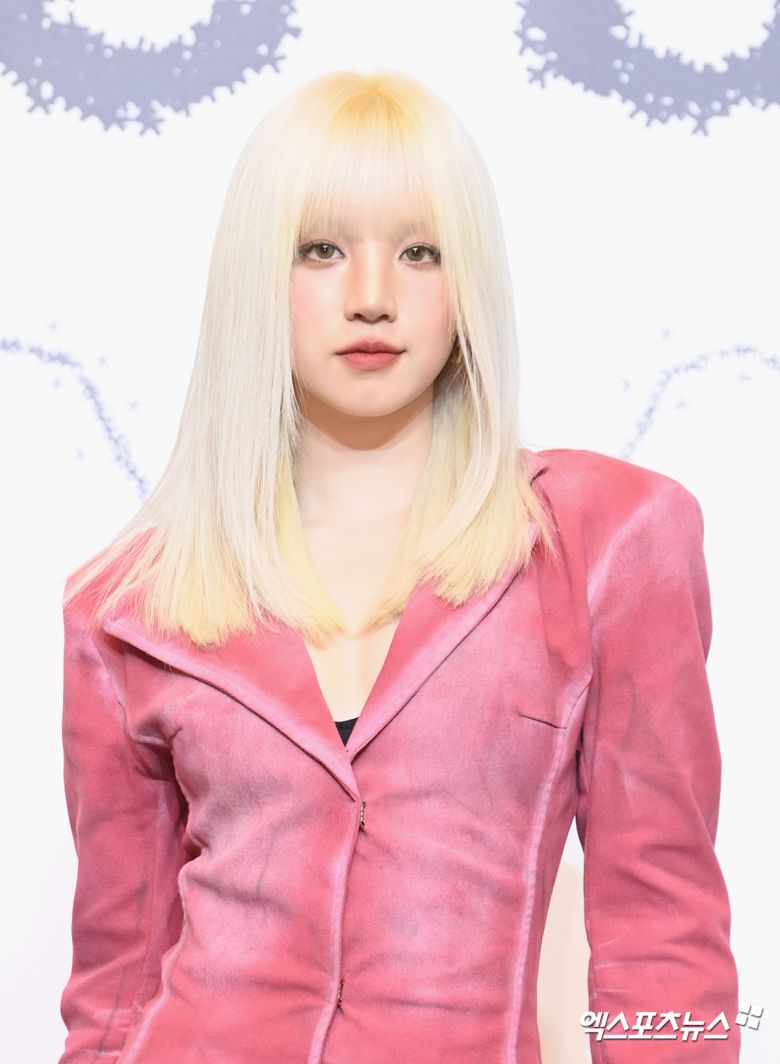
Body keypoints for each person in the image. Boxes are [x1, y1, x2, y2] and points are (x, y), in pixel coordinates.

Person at [57, 69, 740, 1063]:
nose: (372, 297)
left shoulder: (608, 544)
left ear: (470, 280)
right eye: (321, 249)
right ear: (258, 277)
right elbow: (115, 989)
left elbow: (663, 932)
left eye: (421, 251)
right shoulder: (127, 606)